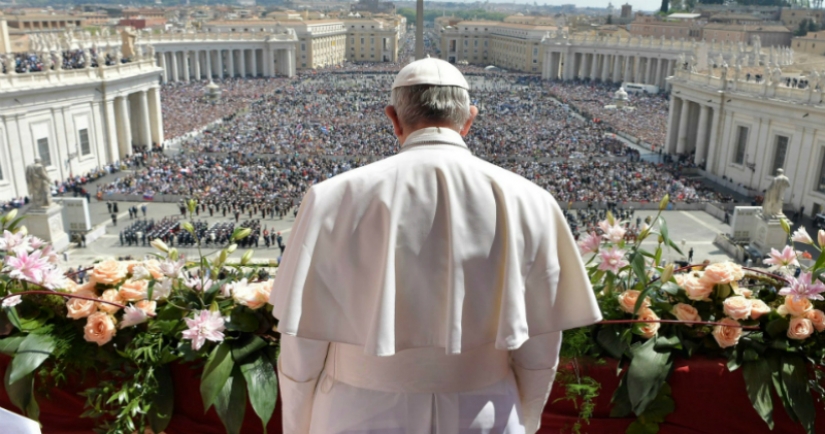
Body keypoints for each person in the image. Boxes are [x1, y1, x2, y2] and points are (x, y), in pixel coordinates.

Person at [271, 58, 602, 434]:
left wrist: (297, 424)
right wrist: (525, 418)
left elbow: (302, 346)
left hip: (357, 412)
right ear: (469, 119)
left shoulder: (331, 198)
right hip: (486, 412)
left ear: (393, 119)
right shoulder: (532, 200)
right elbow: (540, 348)